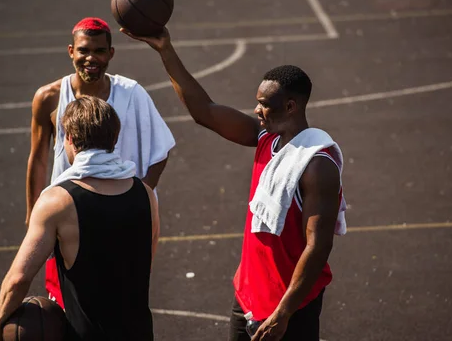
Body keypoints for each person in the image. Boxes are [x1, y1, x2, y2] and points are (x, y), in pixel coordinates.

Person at [122, 27, 347, 341]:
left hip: (289, 306)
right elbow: (206, 112)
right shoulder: (265, 138)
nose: (256, 109)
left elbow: (318, 245)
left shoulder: (317, 165)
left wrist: (284, 313)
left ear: (291, 106)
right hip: (249, 295)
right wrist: (165, 50)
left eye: (264, 103)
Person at [26, 17, 175, 307]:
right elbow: (39, 159)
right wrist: (33, 218)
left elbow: (162, 149)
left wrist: (139, 195)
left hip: (120, 217)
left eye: (99, 51)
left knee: (119, 303)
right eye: (83, 51)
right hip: (68, 216)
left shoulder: (132, 94)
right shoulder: (48, 98)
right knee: (66, 305)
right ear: (71, 51)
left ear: (111, 54)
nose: (91, 58)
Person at [0, 96, 159, 341]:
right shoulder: (145, 194)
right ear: (114, 139)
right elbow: (145, 261)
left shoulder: (57, 201)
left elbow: (19, 279)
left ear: (68, 138)